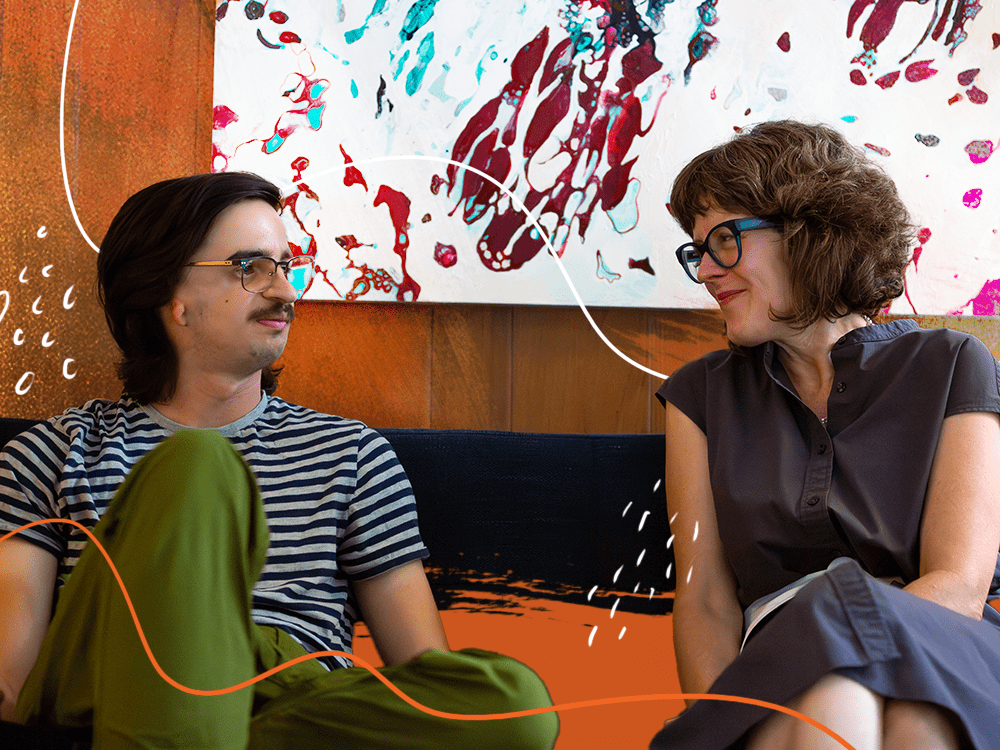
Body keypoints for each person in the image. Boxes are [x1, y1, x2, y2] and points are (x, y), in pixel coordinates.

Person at [0, 172, 558, 749]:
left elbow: (423, 677)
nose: (286, 293)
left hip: (295, 692)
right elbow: (12, 693)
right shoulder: (53, 454)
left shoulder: (353, 455)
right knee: (198, 467)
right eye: (250, 267)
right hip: (120, 685)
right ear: (171, 299)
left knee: (510, 705)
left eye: (285, 266)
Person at [651, 120, 1000, 750]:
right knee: (836, 701)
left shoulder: (954, 364)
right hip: (776, 671)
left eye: (724, 239)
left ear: (812, 231)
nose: (704, 269)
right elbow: (704, 600)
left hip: (946, 652)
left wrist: (842, 618)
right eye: (696, 249)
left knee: (918, 721)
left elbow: (959, 584)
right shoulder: (698, 395)